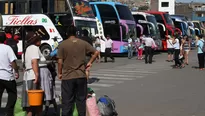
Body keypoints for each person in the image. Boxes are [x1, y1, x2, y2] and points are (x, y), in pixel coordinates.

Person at [57, 26, 99, 116]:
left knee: (67, 102)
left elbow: (60, 61)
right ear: (76, 33)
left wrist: (59, 73)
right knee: (81, 101)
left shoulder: (63, 45)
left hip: (68, 76)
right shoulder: (83, 43)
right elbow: (96, 52)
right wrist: (90, 62)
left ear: (67, 33)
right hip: (81, 76)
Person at [21, 32, 49, 116]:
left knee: (30, 104)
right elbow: (34, 62)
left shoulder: (27, 49)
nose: (40, 40)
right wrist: (37, 75)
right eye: (38, 39)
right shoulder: (33, 48)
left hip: (28, 76)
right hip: (33, 76)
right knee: (35, 103)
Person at [0, 32, 19, 116]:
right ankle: (9, 111)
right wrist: (16, 71)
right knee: (12, 95)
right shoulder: (7, 48)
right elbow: (13, 61)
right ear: (5, 40)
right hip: (8, 77)